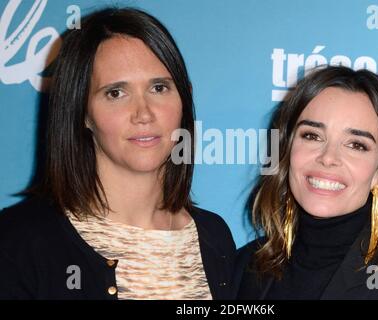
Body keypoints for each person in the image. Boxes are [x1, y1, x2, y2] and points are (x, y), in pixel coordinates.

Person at [0, 8, 235, 300]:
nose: (144, 114)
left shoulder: (214, 237)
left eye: (159, 88)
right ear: (82, 112)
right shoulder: (18, 243)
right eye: (115, 93)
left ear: (184, 99)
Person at [235, 66, 378, 299]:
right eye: (312, 136)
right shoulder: (243, 268)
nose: (328, 158)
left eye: (356, 145)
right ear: (286, 150)